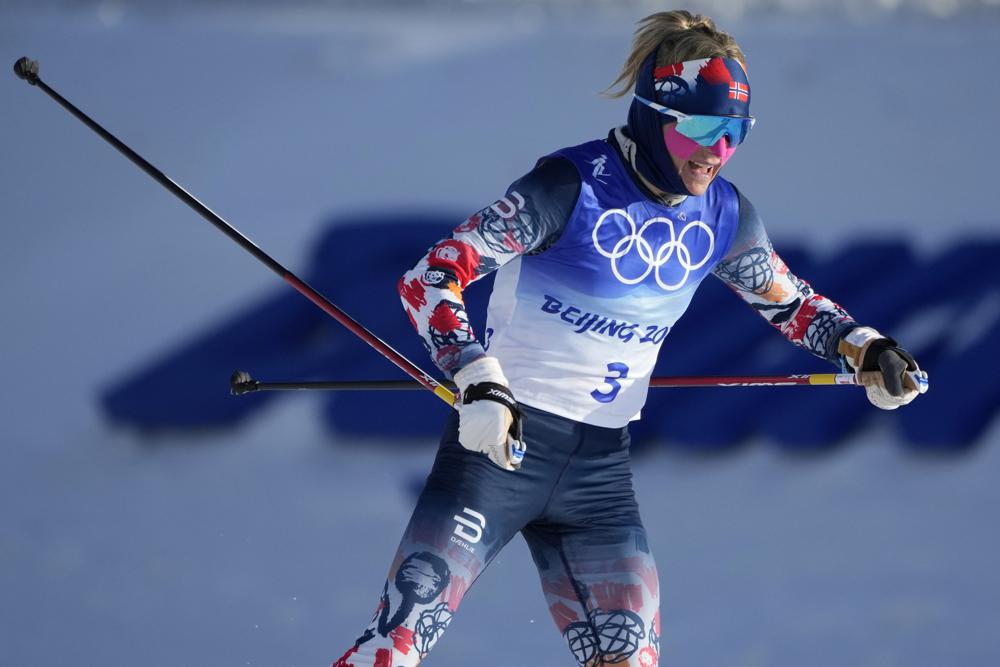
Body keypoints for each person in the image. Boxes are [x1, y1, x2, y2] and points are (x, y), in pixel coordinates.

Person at [333, 10, 926, 667]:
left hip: (599, 475)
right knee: (393, 648)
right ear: (651, 112)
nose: (714, 151)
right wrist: (475, 376)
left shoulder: (724, 214)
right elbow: (430, 278)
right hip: (497, 451)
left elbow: (791, 303)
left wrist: (867, 348)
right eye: (699, 128)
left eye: (733, 133)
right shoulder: (569, 186)